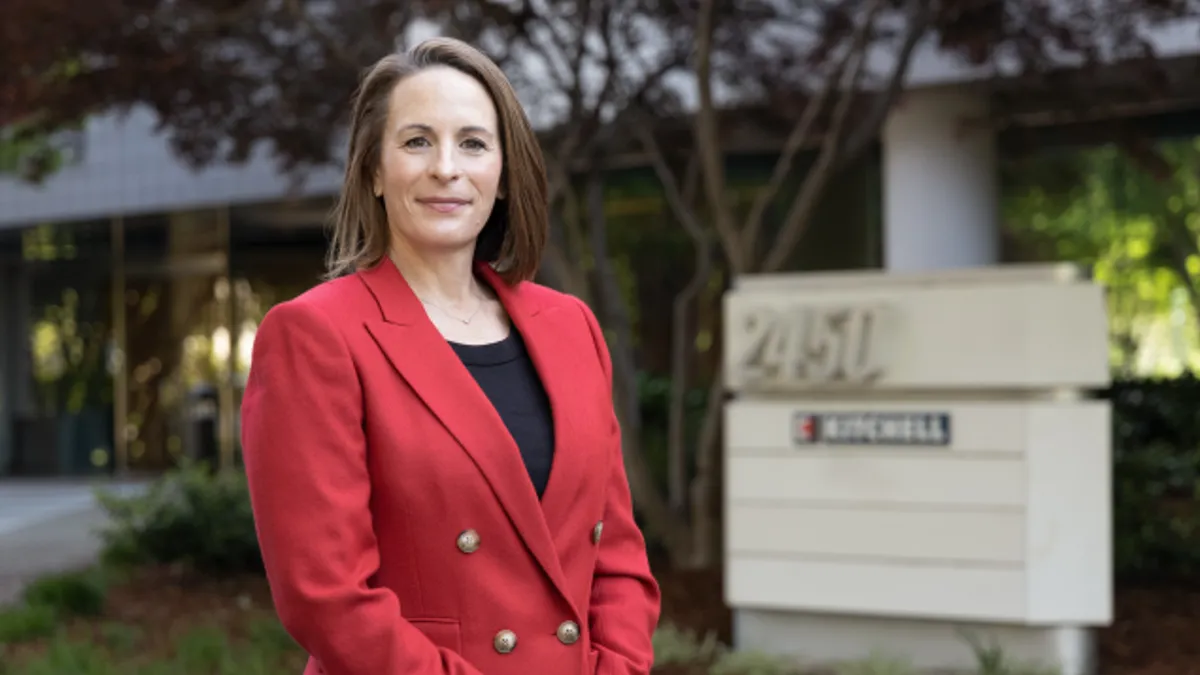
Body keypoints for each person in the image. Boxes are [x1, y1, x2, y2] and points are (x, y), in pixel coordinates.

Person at [239, 37, 661, 675]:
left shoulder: (571, 326)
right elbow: (326, 597)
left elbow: (617, 553)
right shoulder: (314, 335)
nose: (446, 167)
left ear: (502, 172)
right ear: (374, 172)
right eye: (416, 142)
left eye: (473, 142)